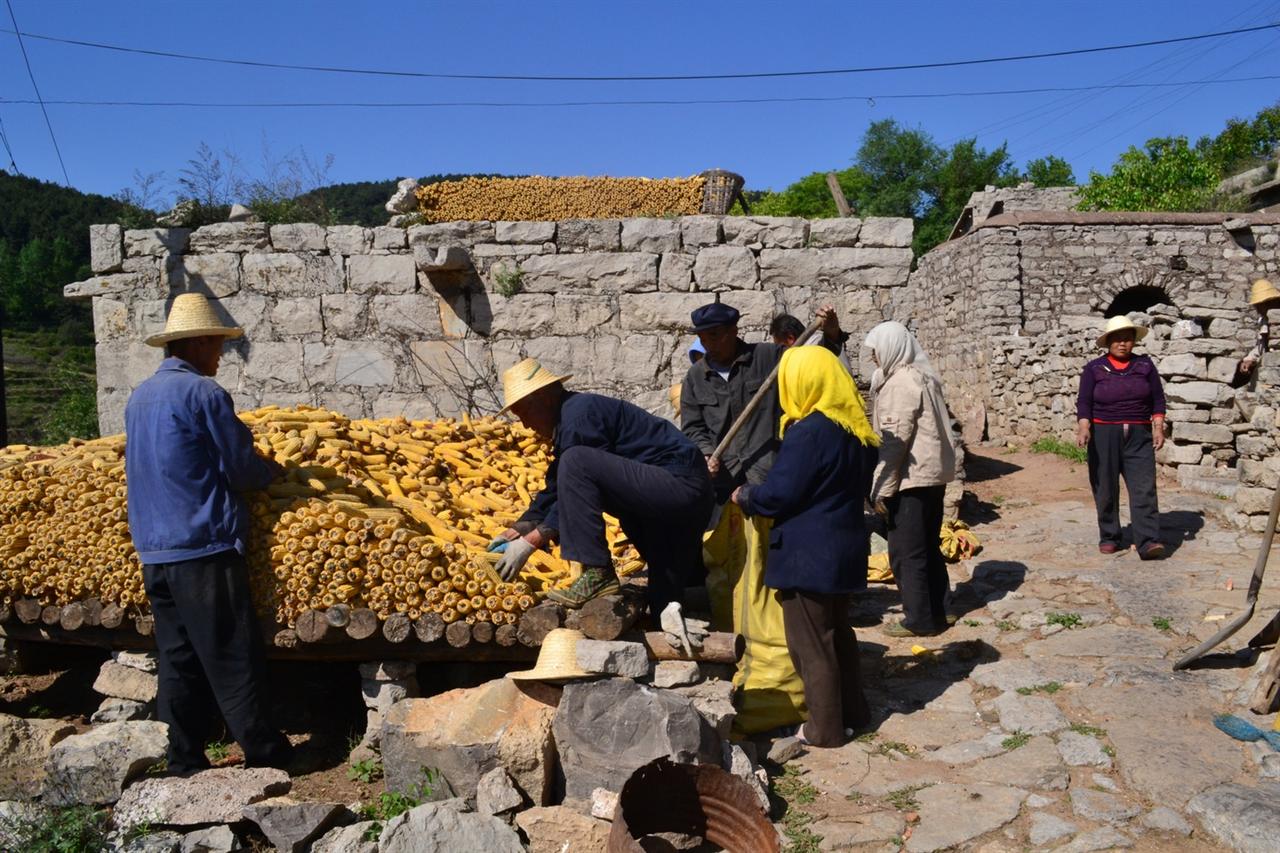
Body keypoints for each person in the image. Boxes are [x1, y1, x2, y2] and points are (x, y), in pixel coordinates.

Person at [125, 293, 292, 775]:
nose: (220, 354)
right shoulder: (205, 394)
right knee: (231, 653)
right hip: (202, 545)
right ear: (196, 344)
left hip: (154, 550)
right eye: (217, 345)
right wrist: (271, 473)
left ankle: (183, 757)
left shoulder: (139, 396)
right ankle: (266, 754)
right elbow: (239, 468)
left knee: (177, 658)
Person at [680, 301, 847, 733]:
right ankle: (731, 644)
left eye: (718, 335)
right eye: (704, 337)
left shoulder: (770, 359)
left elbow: (820, 364)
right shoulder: (695, 378)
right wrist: (702, 453)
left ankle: (778, 658)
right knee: (727, 574)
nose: (711, 344)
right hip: (724, 492)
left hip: (766, 485)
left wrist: (830, 332)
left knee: (768, 579)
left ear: (735, 330)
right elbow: (693, 426)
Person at [731, 346, 879, 747]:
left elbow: (780, 495)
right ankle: (854, 713)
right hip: (844, 548)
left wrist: (745, 495)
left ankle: (824, 729)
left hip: (808, 553)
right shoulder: (856, 431)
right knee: (838, 635)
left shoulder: (808, 431)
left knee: (810, 645)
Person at [488, 358, 713, 610]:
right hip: (659, 503)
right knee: (666, 600)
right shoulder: (569, 423)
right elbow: (556, 489)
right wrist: (517, 530)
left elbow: (577, 482)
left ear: (544, 397)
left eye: (524, 414)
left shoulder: (579, 415)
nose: (526, 425)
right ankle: (691, 599)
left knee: (576, 461)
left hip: (679, 484)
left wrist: (531, 542)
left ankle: (598, 573)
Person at [864, 321, 958, 638]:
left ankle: (919, 619)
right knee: (928, 545)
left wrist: (880, 488)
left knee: (906, 551)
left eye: (876, 351)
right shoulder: (921, 375)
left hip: (911, 478)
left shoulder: (900, 383)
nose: (874, 357)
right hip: (932, 476)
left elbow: (895, 442)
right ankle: (941, 607)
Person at [1075, 315, 1167, 559]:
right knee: (1105, 486)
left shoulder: (1145, 366)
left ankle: (1147, 541)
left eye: (1128, 339)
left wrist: (1158, 426)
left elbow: (1157, 399)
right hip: (1104, 433)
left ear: (1134, 342)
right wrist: (1084, 427)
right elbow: (1084, 401)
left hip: (1139, 433)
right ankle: (1110, 536)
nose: (1123, 344)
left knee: (1143, 487)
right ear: (1108, 342)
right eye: (1117, 339)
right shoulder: (1094, 368)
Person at [1231, 278, 1280, 389]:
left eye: (1260, 305)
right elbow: (1261, 347)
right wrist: (1249, 360)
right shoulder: (1264, 320)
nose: (1257, 309)